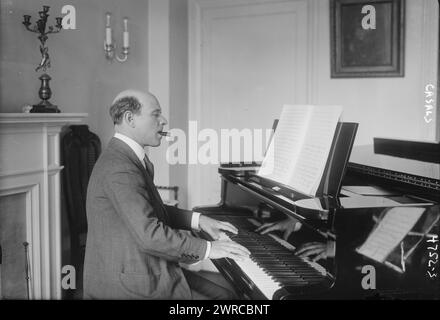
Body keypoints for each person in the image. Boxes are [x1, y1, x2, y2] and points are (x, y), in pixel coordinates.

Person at [83, 89, 250, 299]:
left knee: (226, 296)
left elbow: (150, 211)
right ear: (129, 118)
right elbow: (150, 236)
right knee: (227, 299)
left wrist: (199, 220)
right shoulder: (120, 167)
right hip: (131, 281)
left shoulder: (125, 157)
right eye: (155, 114)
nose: (164, 120)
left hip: (145, 267)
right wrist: (208, 249)